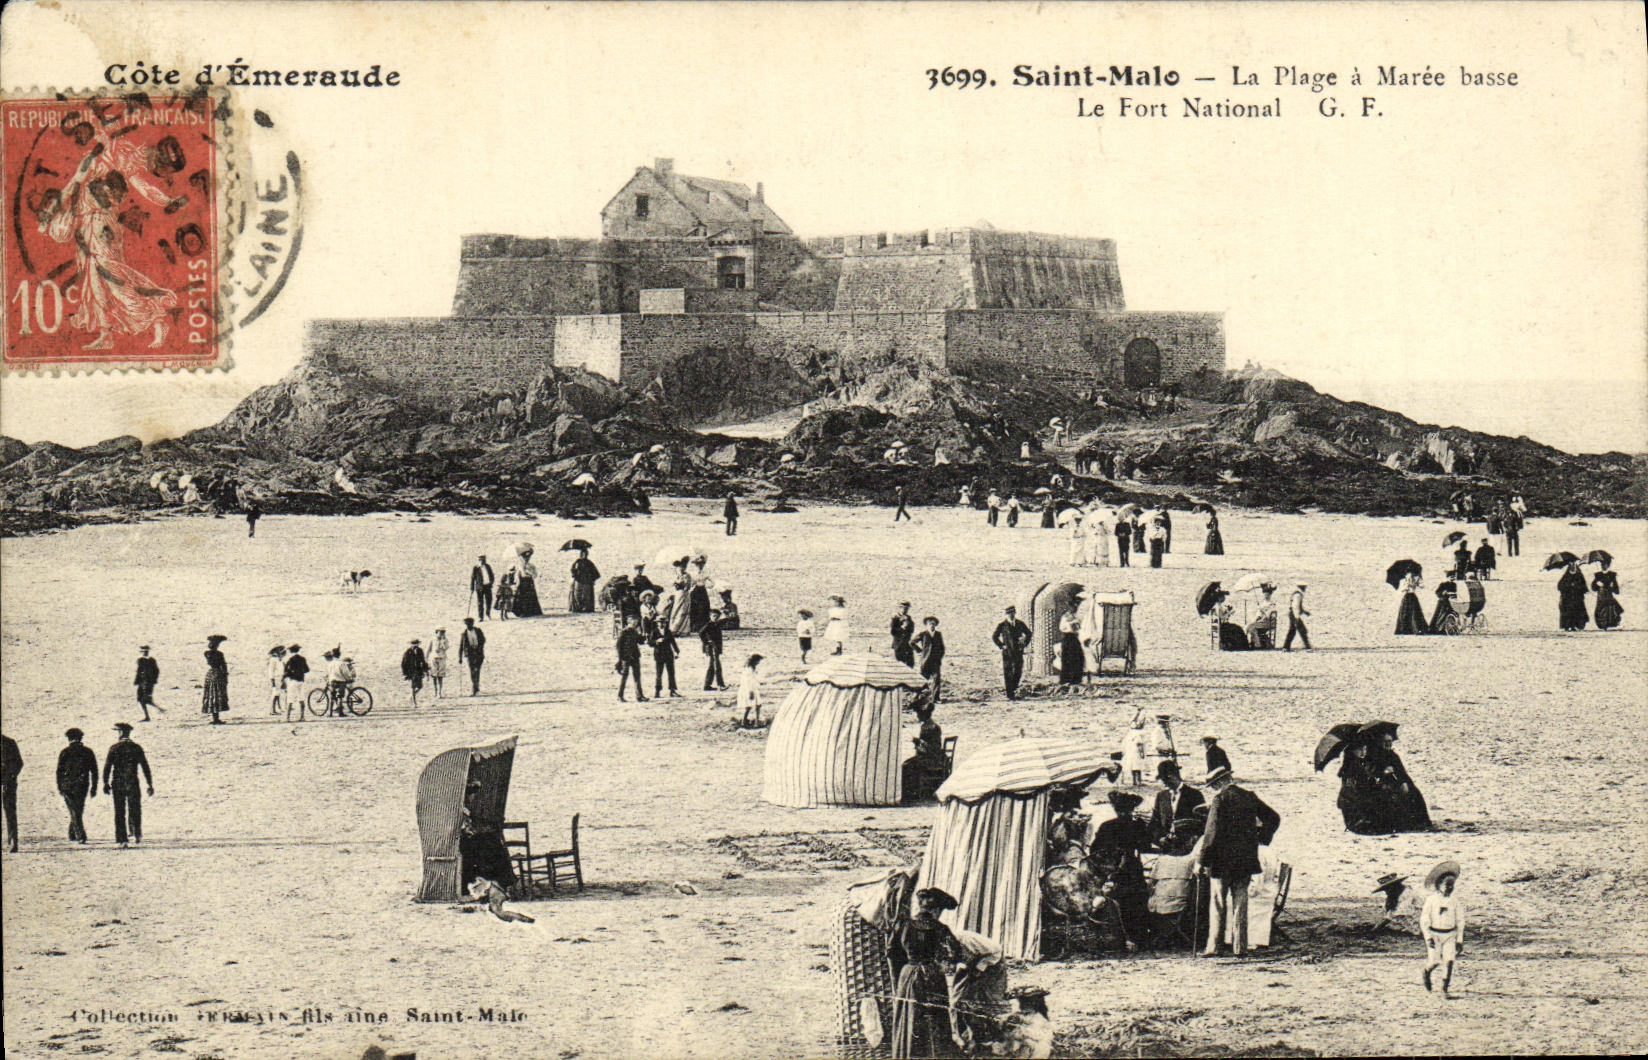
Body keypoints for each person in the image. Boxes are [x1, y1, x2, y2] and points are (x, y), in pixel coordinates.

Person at [1195, 766, 1281, 958]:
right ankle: (1240, 947)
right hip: (1245, 859)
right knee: (1241, 903)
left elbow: (1211, 834)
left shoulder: (1220, 799)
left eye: (1212, 786)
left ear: (1218, 783)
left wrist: (1202, 860)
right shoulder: (1249, 797)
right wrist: (1261, 840)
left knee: (1218, 903)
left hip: (1221, 861)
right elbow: (1273, 818)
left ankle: (1214, 947)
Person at [888, 887, 966, 1059]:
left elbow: (892, 952)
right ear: (936, 909)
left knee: (909, 1016)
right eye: (940, 910)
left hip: (907, 975)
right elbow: (957, 953)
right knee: (934, 1019)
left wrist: (902, 972)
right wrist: (942, 963)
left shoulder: (902, 924)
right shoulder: (941, 929)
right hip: (932, 975)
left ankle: (907, 1054)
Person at [1088, 790, 1151, 945]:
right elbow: (1145, 845)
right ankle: (1137, 935)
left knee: (1116, 899)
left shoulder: (1107, 826)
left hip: (1112, 868)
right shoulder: (1138, 825)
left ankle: (1118, 936)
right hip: (1132, 866)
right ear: (1131, 809)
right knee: (1137, 899)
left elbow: (1094, 850)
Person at [103, 722, 153, 848]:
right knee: (135, 809)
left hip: (118, 783)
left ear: (120, 733)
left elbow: (107, 767)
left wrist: (105, 783)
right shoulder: (136, 747)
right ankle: (137, 834)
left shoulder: (114, 748)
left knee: (119, 811)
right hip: (133, 782)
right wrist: (149, 784)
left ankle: (122, 839)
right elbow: (145, 767)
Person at [1420, 861, 1466, 996]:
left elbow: (1460, 921)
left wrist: (1459, 939)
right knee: (1434, 961)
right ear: (1439, 885)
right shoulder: (1431, 900)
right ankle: (1427, 972)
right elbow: (1424, 920)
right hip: (1434, 934)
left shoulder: (1455, 901)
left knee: (1449, 961)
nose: (1449, 888)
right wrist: (1428, 937)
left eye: (1452, 885)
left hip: (1450, 934)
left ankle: (1445, 989)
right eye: (1447, 885)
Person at [1150, 761, 1206, 855]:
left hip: (1188, 850)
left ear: (1172, 776)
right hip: (1167, 850)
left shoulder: (1194, 795)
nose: (1164, 784)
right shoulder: (1161, 796)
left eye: (1164, 780)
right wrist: (1160, 838)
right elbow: (1154, 823)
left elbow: (1202, 824)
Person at [57, 729, 99, 843]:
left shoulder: (65, 752)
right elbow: (94, 771)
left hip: (67, 786)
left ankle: (75, 834)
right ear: (81, 738)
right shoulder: (88, 752)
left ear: (69, 739)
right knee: (78, 809)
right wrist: (94, 787)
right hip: (82, 785)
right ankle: (79, 835)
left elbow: (59, 771)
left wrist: (59, 787)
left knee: (75, 810)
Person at [901, 702, 948, 802]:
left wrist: (917, 742)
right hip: (937, 757)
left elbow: (927, 747)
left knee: (906, 765)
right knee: (909, 763)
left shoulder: (926, 728)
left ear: (923, 715)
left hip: (930, 758)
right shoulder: (934, 726)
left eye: (919, 715)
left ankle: (911, 794)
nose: (918, 717)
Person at [992, 605, 1032, 700]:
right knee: (1008, 671)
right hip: (1007, 652)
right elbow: (994, 637)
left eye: (1013, 613)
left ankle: (1013, 687)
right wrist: (1002, 646)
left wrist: (1024, 642)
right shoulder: (1002, 625)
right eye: (1009, 614)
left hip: (1018, 650)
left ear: (1015, 613)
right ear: (1006, 615)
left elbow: (1029, 633)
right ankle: (1010, 694)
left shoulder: (1020, 623)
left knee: (1018, 670)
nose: (1011, 615)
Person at [650, 606, 682, 698]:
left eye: (663, 623)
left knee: (671, 673)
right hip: (659, 655)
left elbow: (673, 642)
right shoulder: (655, 632)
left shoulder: (668, 631)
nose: (662, 624)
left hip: (668, 654)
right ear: (657, 623)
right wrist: (656, 641)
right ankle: (657, 691)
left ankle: (672, 690)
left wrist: (677, 652)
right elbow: (650, 642)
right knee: (659, 674)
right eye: (660, 623)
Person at [616, 614, 647, 702]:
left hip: (635, 656)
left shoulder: (635, 631)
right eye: (633, 620)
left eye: (636, 621)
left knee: (637, 676)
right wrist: (620, 659)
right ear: (629, 621)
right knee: (624, 677)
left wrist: (643, 636)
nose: (635, 622)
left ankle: (639, 696)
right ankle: (620, 695)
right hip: (626, 658)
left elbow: (640, 642)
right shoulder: (624, 632)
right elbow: (618, 646)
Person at [915, 616, 946, 702]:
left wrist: (939, 657)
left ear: (935, 625)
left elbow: (942, 648)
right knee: (922, 679)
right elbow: (912, 642)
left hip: (935, 662)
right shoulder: (923, 634)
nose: (932, 626)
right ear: (926, 625)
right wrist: (920, 651)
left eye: (933, 624)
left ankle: (935, 698)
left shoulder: (938, 635)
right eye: (930, 624)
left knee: (936, 679)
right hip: (925, 661)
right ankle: (917, 697)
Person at [201, 634, 229, 725]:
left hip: (210, 674)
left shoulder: (207, 654)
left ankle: (215, 717)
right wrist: (225, 676)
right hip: (218, 674)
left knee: (211, 695)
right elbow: (224, 666)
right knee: (217, 695)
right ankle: (216, 718)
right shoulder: (219, 654)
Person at [510, 545, 543, 617]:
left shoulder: (531, 565)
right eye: (525, 557)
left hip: (529, 582)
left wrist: (528, 572)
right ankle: (521, 612)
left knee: (530, 597)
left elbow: (535, 575)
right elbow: (522, 574)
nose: (526, 559)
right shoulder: (520, 565)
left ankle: (531, 612)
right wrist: (524, 571)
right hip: (522, 582)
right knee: (522, 597)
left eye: (528, 557)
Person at [2, 733, 21, 853]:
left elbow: (18, 763)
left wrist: (7, 780)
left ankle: (13, 841)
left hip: (8, 783)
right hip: (8, 783)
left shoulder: (9, 742)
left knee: (10, 812)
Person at [1592, 559, 1623, 631]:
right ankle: (1603, 625)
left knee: (1609, 609)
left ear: (1608, 565)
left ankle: (1608, 624)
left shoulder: (1612, 575)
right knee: (1601, 610)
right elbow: (1593, 587)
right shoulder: (1598, 575)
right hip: (1601, 595)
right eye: (1602, 564)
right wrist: (1597, 584)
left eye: (1605, 564)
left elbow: (1616, 587)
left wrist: (1612, 587)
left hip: (1608, 595)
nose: (1603, 566)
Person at [1557, 561, 1589, 631]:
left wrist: (1577, 586)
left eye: (1574, 565)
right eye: (1571, 565)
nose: (1572, 566)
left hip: (1577, 598)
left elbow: (1584, 587)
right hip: (1567, 599)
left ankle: (1574, 626)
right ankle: (1567, 626)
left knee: (1576, 612)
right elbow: (1559, 586)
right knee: (1568, 612)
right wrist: (1568, 586)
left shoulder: (1579, 575)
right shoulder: (1565, 576)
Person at [701, 609, 727, 691]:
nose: (715, 618)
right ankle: (720, 685)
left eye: (717, 616)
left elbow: (725, 620)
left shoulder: (717, 624)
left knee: (712, 666)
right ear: (710, 616)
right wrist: (707, 642)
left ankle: (707, 685)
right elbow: (701, 633)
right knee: (717, 666)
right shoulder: (709, 625)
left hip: (716, 648)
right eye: (714, 616)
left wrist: (725, 613)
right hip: (712, 648)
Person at [1057, 607, 1084, 686]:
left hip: (1075, 638)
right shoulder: (1066, 617)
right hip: (1068, 638)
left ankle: (1075, 679)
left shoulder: (1075, 616)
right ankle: (1067, 679)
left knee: (1077, 659)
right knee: (1067, 659)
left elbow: (1078, 628)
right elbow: (1068, 628)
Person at [458, 617, 486, 696]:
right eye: (467, 624)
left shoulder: (478, 631)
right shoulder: (464, 634)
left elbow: (483, 640)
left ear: (472, 624)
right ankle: (475, 688)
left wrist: (479, 647)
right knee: (472, 671)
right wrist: (460, 657)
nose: (468, 626)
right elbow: (461, 646)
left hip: (479, 653)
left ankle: (476, 686)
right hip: (470, 655)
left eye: (470, 624)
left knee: (477, 670)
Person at [736, 653, 765, 727]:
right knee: (755, 705)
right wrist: (750, 691)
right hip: (750, 689)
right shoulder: (749, 670)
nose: (758, 663)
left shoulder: (749, 669)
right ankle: (755, 722)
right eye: (758, 661)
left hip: (750, 689)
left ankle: (745, 721)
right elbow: (748, 682)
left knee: (751, 706)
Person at [569, 547, 601, 613]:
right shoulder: (577, 562)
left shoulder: (589, 563)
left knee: (586, 597)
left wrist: (591, 579)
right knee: (578, 596)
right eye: (583, 554)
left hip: (587, 582)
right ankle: (578, 608)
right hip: (579, 581)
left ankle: (586, 608)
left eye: (585, 554)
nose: (584, 555)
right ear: (580, 554)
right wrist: (575, 574)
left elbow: (596, 573)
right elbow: (572, 570)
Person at [282, 645, 309, 720]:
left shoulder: (290, 660)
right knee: (301, 698)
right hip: (301, 680)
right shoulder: (303, 659)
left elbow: (286, 671)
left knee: (290, 699)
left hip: (292, 681)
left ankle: (287, 717)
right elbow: (307, 670)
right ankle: (302, 717)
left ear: (290, 651)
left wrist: (284, 678)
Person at [134, 645, 161, 722]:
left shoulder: (151, 661)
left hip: (148, 682)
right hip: (142, 682)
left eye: (146, 651)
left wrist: (153, 680)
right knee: (142, 699)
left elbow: (156, 671)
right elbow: (139, 671)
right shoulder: (141, 660)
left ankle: (153, 713)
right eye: (143, 651)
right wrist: (137, 681)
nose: (144, 653)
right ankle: (149, 714)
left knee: (145, 699)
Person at [1282, 583, 1312, 651]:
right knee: (1302, 630)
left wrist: (1304, 612)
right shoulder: (1298, 595)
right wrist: (1297, 618)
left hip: (1293, 614)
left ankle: (1286, 647)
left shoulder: (1296, 594)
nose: (1305, 589)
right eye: (1304, 587)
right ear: (1302, 587)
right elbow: (1295, 607)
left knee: (1292, 631)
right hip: (1295, 615)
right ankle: (1307, 647)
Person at [401, 638, 430, 707]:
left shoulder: (420, 651)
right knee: (413, 686)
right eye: (413, 645)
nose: (414, 646)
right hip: (411, 671)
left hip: (419, 670)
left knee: (420, 686)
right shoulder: (408, 652)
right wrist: (405, 673)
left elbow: (423, 661)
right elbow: (404, 663)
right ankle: (414, 702)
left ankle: (411, 696)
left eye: (416, 645)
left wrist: (426, 670)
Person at [891, 602, 916, 667]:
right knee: (899, 664)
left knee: (910, 664)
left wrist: (909, 625)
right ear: (900, 608)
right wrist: (902, 628)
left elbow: (912, 630)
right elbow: (893, 631)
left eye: (907, 609)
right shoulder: (895, 618)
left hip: (907, 644)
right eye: (904, 608)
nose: (905, 610)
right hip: (898, 645)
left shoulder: (909, 618)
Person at [470, 555, 495, 621]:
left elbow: (492, 575)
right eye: (481, 560)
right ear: (479, 560)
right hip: (480, 587)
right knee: (480, 602)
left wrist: (491, 582)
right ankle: (481, 617)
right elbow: (473, 578)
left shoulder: (488, 566)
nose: (483, 561)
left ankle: (488, 613)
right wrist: (472, 588)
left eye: (484, 560)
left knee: (489, 601)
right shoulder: (476, 568)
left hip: (487, 586)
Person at [266, 645, 288, 715]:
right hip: (276, 678)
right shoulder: (273, 660)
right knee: (275, 694)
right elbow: (271, 671)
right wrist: (273, 682)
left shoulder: (278, 660)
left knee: (278, 694)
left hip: (279, 678)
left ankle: (277, 708)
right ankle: (272, 710)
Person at [429, 629, 449, 698]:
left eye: (443, 632)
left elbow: (446, 648)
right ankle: (435, 691)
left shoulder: (445, 640)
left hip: (442, 658)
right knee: (434, 676)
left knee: (440, 676)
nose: (441, 634)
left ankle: (440, 692)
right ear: (436, 632)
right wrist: (426, 659)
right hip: (434, 658)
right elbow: (428, 650)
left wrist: (443, 642)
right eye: (440, 632)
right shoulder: (432, 639)